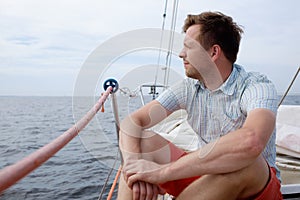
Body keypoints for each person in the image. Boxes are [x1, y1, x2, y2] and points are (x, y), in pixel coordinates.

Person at [117, 11, 282, 200]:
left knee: (247, 161)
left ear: (213, 52)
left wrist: (162, 173)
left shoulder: (256, 86)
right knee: (143, 141)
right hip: (205, 176)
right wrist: (135, 167)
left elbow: (251, 141)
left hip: (253, 186)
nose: (181, 54)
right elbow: (133, 121)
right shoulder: (188, 88)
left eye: (188, 47)